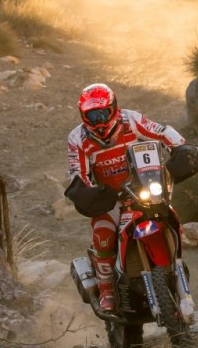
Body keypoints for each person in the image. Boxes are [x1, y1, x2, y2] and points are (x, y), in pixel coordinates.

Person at [64, 82, 189, 313]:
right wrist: (86, 191)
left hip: (143, 187)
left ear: (114, 108)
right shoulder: (77, 138)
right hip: (110, 199)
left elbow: (161, 132)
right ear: (83, 116)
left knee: (171, 216)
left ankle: (174, 265)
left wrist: (180, 147)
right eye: (92, 115)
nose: (99, 121)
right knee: (103, 233)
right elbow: (77, 173)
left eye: (103, 113)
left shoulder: (131, 120)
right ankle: (107, 290)